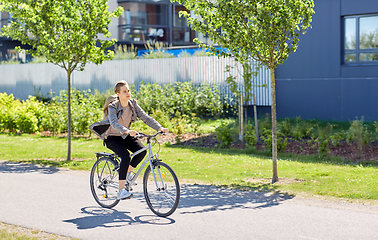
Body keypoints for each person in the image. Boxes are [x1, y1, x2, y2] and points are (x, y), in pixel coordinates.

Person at [89, 80, 168, 200]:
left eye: (128, 90)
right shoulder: (113, 106)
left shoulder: (133, 104)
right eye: (124, 91)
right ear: (118, 93)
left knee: (142, 151)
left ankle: (126, 173)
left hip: (125, 136)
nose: (128, 93)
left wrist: (160, 127)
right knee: (125, 157)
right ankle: (121, 191)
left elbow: (146, 118)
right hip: (112, 138)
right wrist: (127, 131)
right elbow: (114, 124)